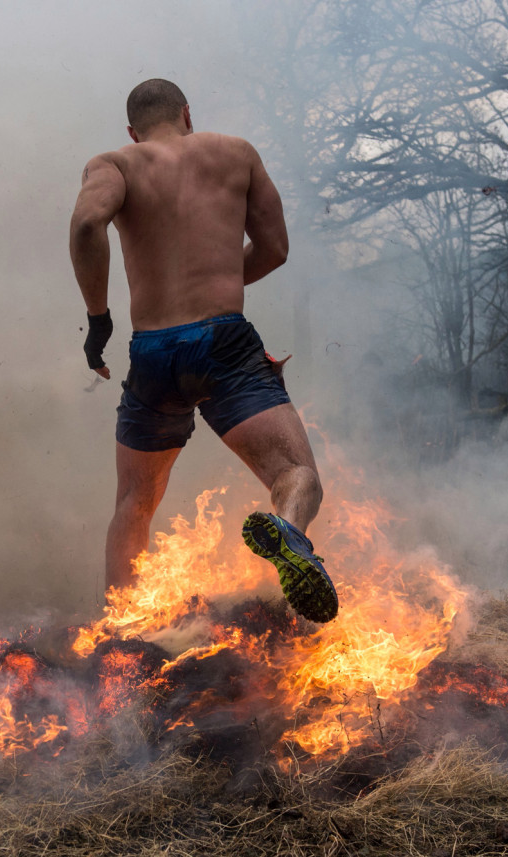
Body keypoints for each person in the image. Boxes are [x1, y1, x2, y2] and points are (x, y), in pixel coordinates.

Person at [68, 79, 338, 623]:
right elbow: (275, 249)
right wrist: (213, 280)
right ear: (188, 114)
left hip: (151, 353)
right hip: (223, 342)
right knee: (295, 474)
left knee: (134, 503)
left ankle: (119, 635)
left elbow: (86, 223)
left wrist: (98, 320)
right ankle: (287, 532)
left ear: (132, 131)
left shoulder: (114, 163)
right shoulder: (236, 154)